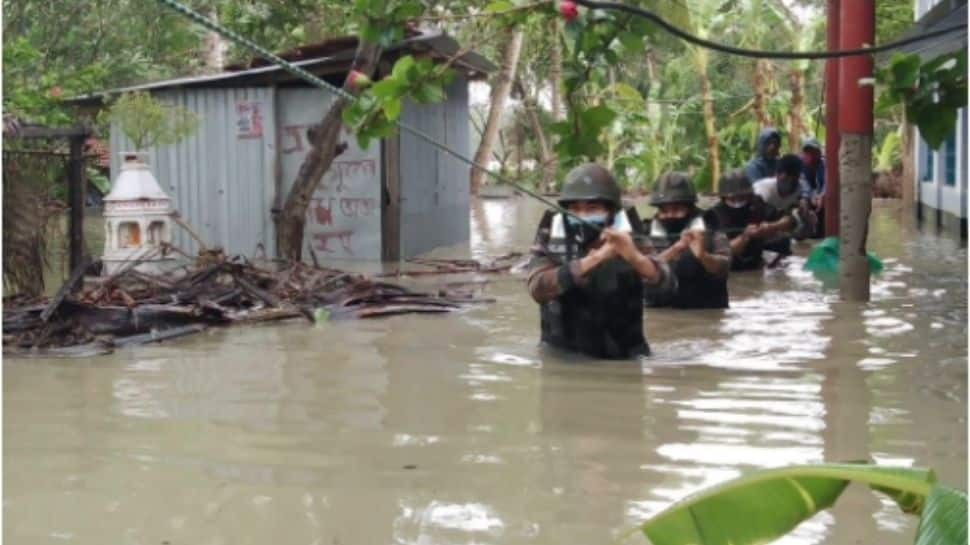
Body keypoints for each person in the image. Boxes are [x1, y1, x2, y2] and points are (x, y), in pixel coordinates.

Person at [526, 163, 674, 359]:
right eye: (575, 209)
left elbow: (667, 284)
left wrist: (634, 257)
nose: (583, 216)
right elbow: (538, 287)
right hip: (560, 357)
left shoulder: (630, 235)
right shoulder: (551, 232)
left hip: (623, 358)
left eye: (593, 208)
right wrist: (597, 258)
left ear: (610, 211)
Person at [643, 172, 730, 309]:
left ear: (690, 208)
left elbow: (725, 265)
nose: (670, 215)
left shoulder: (710, 223)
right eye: (664, 211)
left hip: (704, 312)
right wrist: (675, 249)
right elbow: (642, 271)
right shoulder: (647, 230)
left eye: (677, 209)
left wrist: (703, 256)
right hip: (663, 313)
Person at [705, 169, 795, 270]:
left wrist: (772, 227)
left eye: (742, 197)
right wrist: (745, 237)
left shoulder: (757, 206)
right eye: (733, 198)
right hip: (729, 270)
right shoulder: (713, 215)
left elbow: (789, 220)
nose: (738, 201)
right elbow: (717, 253)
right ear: (723, 197)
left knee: (783, 241)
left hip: (755, 265)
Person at [752, 153, 816, 250]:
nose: (787, 182)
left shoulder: (799, 190)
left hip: (777, 229)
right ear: (777, 175)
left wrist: (806, 216)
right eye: (783, 177)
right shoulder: (763, 190)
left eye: (791, 178)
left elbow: (795, 217)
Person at [799, 137, 826, 238]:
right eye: (807, 152)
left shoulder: (824, 164)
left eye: (813, 151)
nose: (810, 155)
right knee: (802, 203)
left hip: (822, 199)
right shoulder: (800, 166)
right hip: (807, 199)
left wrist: (822, 195)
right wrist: (811, 195)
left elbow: (827, 182)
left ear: (819, 153)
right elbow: (803, 184)